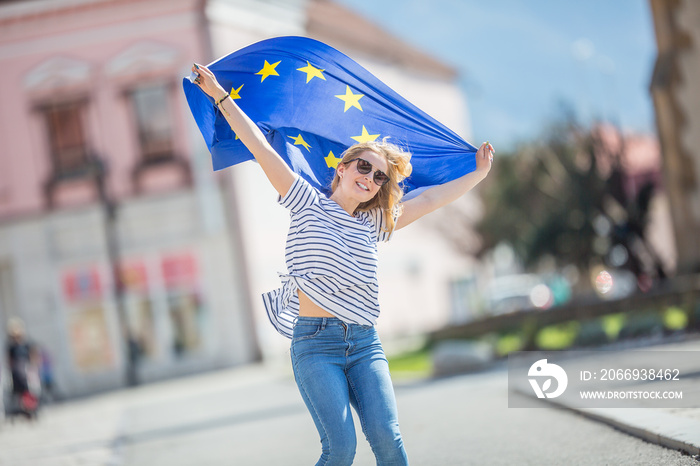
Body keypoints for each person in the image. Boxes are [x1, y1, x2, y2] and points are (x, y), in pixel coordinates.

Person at [192, 63, 493, 465]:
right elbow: (261, 148)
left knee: (388, 438)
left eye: (380, 176)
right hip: (316, 345)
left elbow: (430, 200)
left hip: (365, 344)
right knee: (340, 448)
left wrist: (479, 173)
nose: (369, 177)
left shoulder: (374, 222)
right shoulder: (304, 200)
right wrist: (220, 97)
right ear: (342, 168)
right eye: (363, 166)